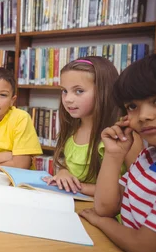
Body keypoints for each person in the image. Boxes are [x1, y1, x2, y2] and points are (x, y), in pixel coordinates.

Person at [80, 54, 156, 252]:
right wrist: (114, 154)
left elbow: (145, 248)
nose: (144, 116)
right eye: (133, 106)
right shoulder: (149, 158)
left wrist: (101, 222)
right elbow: (106, 207)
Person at [43, 57, 142, 196]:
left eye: (79, 91)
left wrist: (78, 187)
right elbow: (65, 165)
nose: (67, 99)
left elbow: (136, 189)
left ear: (104, 91)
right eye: (64, 91)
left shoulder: (124, 136)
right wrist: (63, 173)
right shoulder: (72, 128)